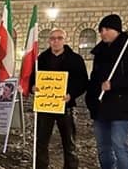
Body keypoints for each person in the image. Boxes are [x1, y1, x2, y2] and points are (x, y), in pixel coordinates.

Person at [86, 14, 128, 169]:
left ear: (116, 30)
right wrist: (91, 100)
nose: (102, 33)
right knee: (103, 148)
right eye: (101, 29)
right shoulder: (100, 52)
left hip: (123, 107)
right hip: (101, 108)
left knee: (119, 145)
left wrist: (114, 84)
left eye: (106, 29)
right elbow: (94, 79)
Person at [24, 28, 88, 169]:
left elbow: (83, 81)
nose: (56, 41)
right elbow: (32, 78)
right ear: (49, 41)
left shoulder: (75, 59)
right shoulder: (41, 59)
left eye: (59, 38)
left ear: (65, 40)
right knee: (41, 142)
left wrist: (71, 94)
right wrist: (33, 88)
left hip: (66, 106)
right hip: (45, 106)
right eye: (53, 38)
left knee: (69, 142)